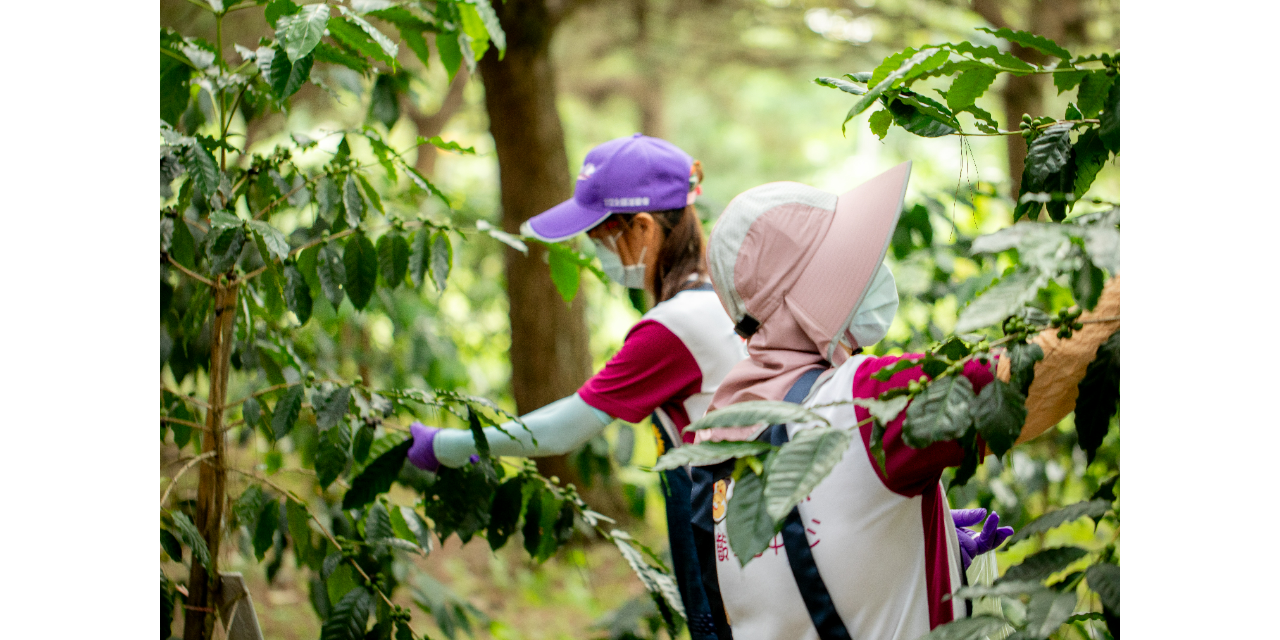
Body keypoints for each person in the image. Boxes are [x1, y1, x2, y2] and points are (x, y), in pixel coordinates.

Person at [695, 162, 1120, 639]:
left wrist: (913, 543)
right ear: (807, 297)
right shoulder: (863, 402)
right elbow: (1028, 381)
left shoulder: (719, 438)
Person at [403, 134, 748, 640]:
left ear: (643, 228)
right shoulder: (720, 293)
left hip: (725, 532)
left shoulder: (674, 328)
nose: (594, 252)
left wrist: (453, 446)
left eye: (598, 238)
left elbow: (567, 426)